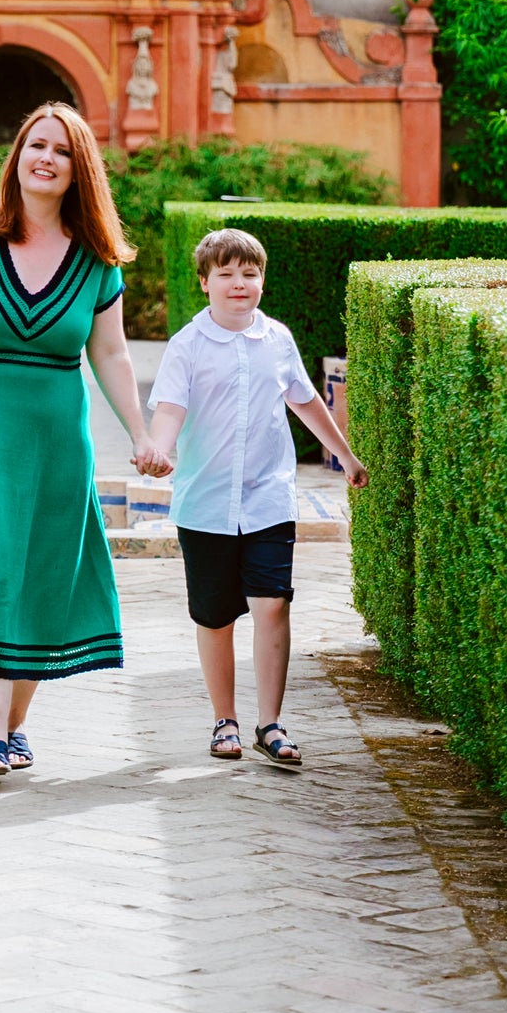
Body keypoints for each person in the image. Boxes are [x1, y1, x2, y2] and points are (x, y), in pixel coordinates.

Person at [0, 102, 170, 778]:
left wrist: (140, 431)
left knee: (39, 576)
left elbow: (111, 354)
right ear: (17, 155)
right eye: (34, 145)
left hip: (55, 441)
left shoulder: (98, 261)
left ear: (80, 171)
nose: (44, 158)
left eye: (61, 151)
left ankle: (13, 727)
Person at [146, 227, 368, 771]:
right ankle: (226, 720)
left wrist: (346, 455)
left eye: (249, 274)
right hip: (205, 503)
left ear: (262, 281)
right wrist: (161, 450)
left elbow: (306, 401)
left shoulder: (278, 339)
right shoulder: (188, 346)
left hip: (269, 498)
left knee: (273, 605)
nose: (238, 284)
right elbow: (170, 410)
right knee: (217, 616)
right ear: (205, 283)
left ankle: (271, 723)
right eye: (225, 275)